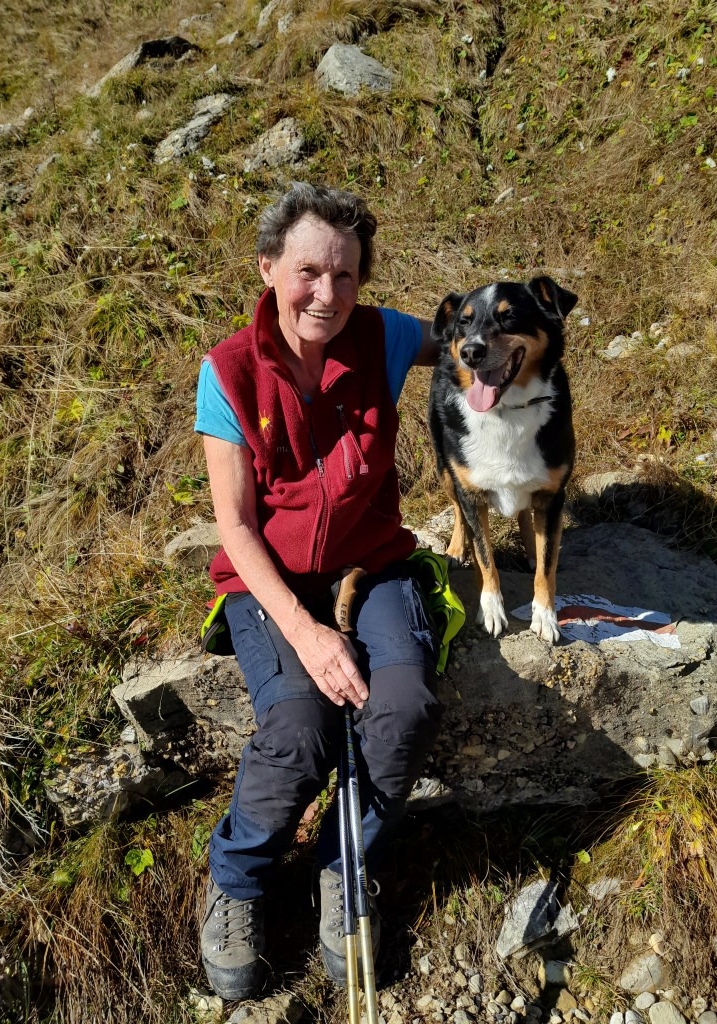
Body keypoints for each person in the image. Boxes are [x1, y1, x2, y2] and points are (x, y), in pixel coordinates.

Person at [194, 181, 442, 1001]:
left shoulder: (383, 338)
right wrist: (306, 633)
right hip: (269, 578)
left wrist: (518, 339)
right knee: (300, 729)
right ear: (268, 267)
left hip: (371, 563)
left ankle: (346, 862)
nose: (328, 295)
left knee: (404, 707)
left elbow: (467, 337)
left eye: (346, 275)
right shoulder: (228, 372)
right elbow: (235, 525)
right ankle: (237, 879)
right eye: (309, 271)